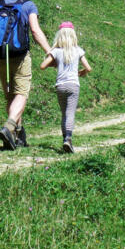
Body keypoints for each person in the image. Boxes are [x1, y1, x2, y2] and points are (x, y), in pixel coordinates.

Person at [0, 0, 51, 150]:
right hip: (19, 56)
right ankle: (10, 126)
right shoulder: (28, 5)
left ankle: (17, 135)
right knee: (21, 93)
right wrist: (49, 51)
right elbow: (35, 30)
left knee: (10, 95)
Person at [40, 22, 92, 153]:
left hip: (60, 86)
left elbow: (42, 65)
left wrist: (56, 63)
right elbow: (88, 68)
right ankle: (68, 139)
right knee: (70, 113)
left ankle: (65, 139)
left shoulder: (56, 51)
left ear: (60, 36)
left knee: (64, 114)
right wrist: (82, 72)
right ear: (73, 36)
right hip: (74, 85)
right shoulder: (78, 50)